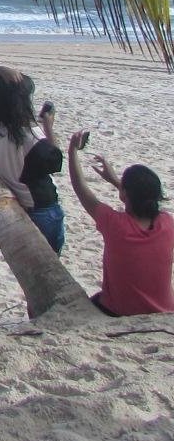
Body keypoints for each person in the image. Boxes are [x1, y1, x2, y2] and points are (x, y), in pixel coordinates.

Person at [67, 135, 173, 316]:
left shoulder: (115, 224)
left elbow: (80, 187)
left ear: (124, 194)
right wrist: (117, 182)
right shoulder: (167, 224)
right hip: (164, 310)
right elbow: (141, 199)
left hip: (119, 312)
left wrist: (72, 151)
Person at [0, 65, 65, 253]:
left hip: (15, 205)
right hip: (40, 207)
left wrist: (1, 70)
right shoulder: (31, 137)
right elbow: (55, 160)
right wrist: (48, 126)